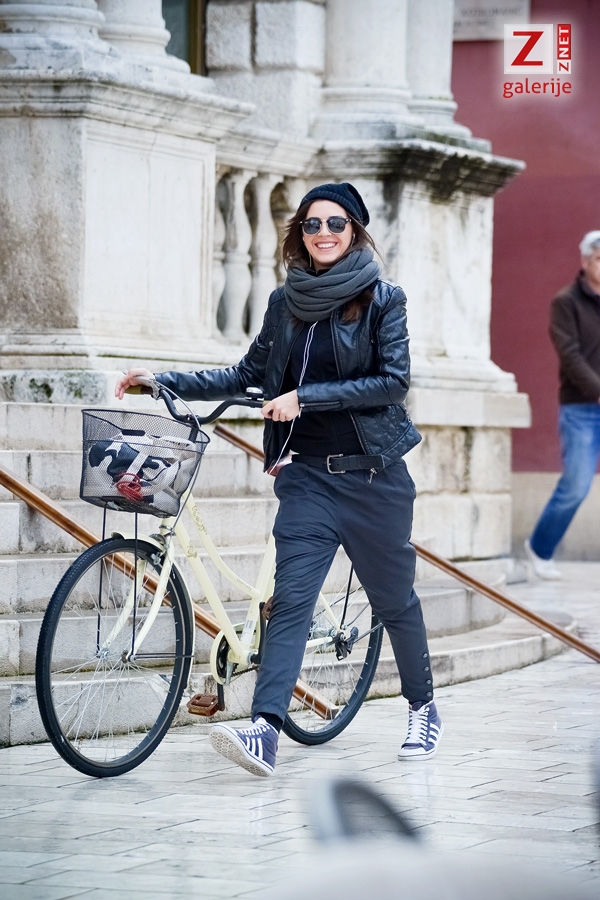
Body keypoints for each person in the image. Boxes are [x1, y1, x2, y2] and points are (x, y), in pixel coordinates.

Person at [115, 182, 442, 776]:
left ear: (355, 231)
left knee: (394, 600)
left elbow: (393, 383)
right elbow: (247, 372)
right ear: (300, 234)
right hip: (308, 478)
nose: (324, 234)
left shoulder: (382, 299)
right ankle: (265, 730)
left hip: (373, 478)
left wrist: (305, 398)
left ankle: (423, 708)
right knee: (290, 602)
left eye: (336, 224)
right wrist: (164, 379)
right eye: (313, 224)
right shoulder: (284, 302)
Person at [525, 230, 600, 580]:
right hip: (581, 409)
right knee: (576, 485)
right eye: (599, 258)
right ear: (585, 262)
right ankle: (540, 548)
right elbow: (570, 355)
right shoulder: (566, 302)